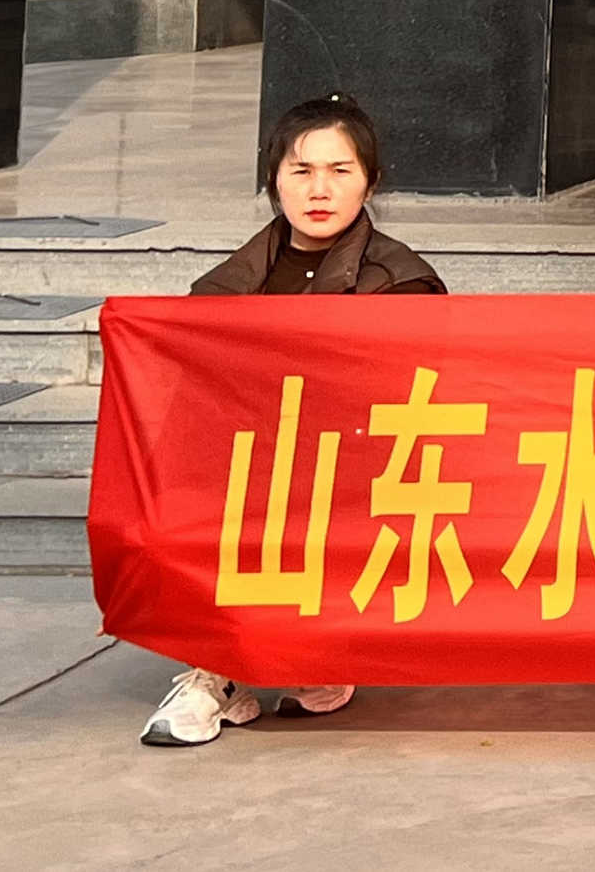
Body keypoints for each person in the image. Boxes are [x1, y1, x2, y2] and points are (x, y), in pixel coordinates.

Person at [142, 94, 441, 747]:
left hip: (347, 475)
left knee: (276, 495)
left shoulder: (400, 281)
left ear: (371, 181)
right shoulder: (226, 284)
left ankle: (251, 664)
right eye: (301, 171)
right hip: (243, 468)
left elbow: (403, 409)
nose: (319, 189)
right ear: (273, 180)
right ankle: (227, 666)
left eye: (340, 170)